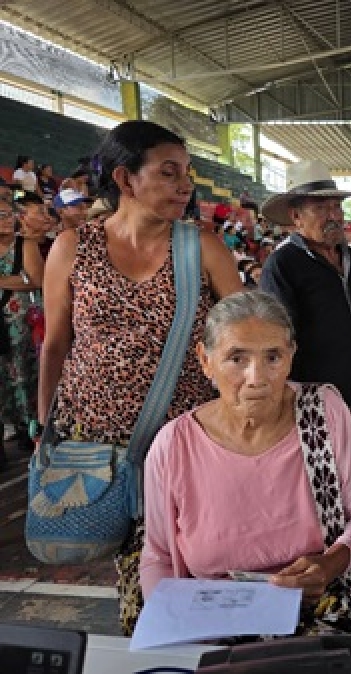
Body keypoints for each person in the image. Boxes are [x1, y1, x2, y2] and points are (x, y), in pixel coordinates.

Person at [38, 119, 243, 635]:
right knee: (129, 565)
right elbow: (56, 344)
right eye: (169, 172)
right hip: (93, 445)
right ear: (125, 178)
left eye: (187, 173)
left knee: (181, 569)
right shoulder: (72, 247)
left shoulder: (203, 248)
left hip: (183, 442)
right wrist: (46, 427)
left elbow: (244, 339)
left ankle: (170, 644)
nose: (185, 185)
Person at [140, 290, 351, 650]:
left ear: (291, 357)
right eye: (237, 358)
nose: (257, 378)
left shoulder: (323, 414)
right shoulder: (173, 445)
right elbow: (158, 555)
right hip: (211, 617)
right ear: (205, 360)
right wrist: (177, 631)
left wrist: (330, 565)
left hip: (316, 607)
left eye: (272, 357)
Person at [259, 160, 351, 441]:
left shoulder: (350, 258)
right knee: (322, 464)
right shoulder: (283, 264)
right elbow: (278, 336)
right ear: (296, 217)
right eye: (321, 208)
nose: (333, 216)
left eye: (336, 207)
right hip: (313, 399)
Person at [0, 198, 44, 465]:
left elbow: (35, 279)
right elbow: (24, 279)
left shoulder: (24, 244)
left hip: (21, 325)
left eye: (9, 214)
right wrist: (17, 280)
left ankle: (30, 429)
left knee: (26, 375)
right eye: (1, 215)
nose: (6, 219)